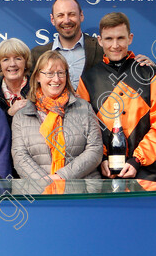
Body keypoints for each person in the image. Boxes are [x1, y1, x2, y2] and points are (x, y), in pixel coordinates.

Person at [75, 12, 156, 181]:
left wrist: (137, 160)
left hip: (146, 173)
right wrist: (101, 159)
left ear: (130, 38)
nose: (115, 45)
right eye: (109, 39)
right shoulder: (88, 78)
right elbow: (83, 129)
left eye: (120, 38)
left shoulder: (149, 72)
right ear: (100, 40)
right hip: (103, 174)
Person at [11, 50, 102, 180]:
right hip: (40, 193)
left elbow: (95, 150)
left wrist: (61, 177)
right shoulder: (22, 116)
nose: (56, 79)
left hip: (81, 191)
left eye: (61, 73)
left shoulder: (84, 108)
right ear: (37, 76)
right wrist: (46, 183)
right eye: (49, 73)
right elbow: (20, 157)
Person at [30, 0, 103, 87]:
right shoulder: (37, 55)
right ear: (52, 20)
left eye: (71, 14)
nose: (67, 20)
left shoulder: (101, 48)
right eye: (60, 15)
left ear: (81, 16)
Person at [0, 38, 31, 125]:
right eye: (6, 59)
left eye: (18, 58)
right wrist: (9, 113)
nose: (12, 64)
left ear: (26, 63)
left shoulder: (39, 90)